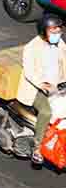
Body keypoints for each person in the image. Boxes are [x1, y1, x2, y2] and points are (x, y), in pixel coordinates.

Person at [20, 11, 66, 166]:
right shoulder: (31, 48)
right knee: (47, 112)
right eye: (53, 31)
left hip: (58, 87)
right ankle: (37, 148)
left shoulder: (60, 44)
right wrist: (42, 84)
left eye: (59, 31)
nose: (57, 34)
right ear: (43, 32)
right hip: (37, 89)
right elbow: (29, 72)